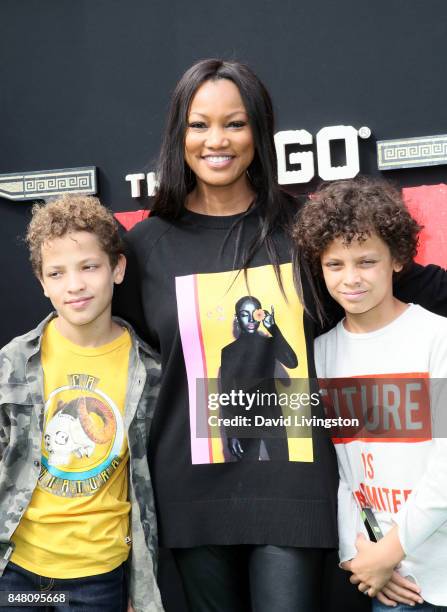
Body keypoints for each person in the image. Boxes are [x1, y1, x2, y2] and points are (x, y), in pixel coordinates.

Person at [114, 58, 447, 612]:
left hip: (296, 490)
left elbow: (411, 284)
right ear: (179, 134)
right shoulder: (145, 247)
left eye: (235, 123)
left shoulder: (309, 231)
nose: (216, 140)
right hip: (192, 494)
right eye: (199, 124)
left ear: (260, 131)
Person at [0, 195, 163, 612]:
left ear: (117, 269)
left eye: (89, 266)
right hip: (16, 568)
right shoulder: (14, 361)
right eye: (57, 273)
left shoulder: (148, 370)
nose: (74, 285)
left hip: (99, 574)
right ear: (42, 282)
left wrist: (138, 587)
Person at [293, 177, 447, 610]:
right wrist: (360, 557)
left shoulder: (437, 338)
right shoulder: (321, 354)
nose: (351, 279)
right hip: (389, 583)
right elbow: (342, 472)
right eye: (335, 265)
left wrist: (392, 549)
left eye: (366, 262)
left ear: (398, 259)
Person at [221, 295, 298, 461]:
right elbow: (226, 395)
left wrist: (273, 328)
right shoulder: (228, 351)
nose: (250, 319)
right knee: (248, 473)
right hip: (244, 420)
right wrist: (231, 434)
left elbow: (292, 362)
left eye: (254, 313)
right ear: (237, 318)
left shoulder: (270, 343)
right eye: (244, 314)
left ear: (261, 315)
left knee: (283, 466)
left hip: (272, 416)